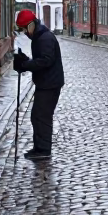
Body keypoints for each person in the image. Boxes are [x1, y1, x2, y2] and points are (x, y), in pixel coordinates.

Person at [13, 9, 64, 161]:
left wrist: (26, 65)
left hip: (50, 84)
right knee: (37, 116)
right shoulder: (40, 36)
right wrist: (25, 59)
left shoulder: (44, 38)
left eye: (24, 29)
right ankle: (39, 147)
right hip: (46, 83)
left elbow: (46, 60)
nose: (24, 33)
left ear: (30, 25)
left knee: (42, 116)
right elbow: (42, 58)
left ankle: (43, 149)